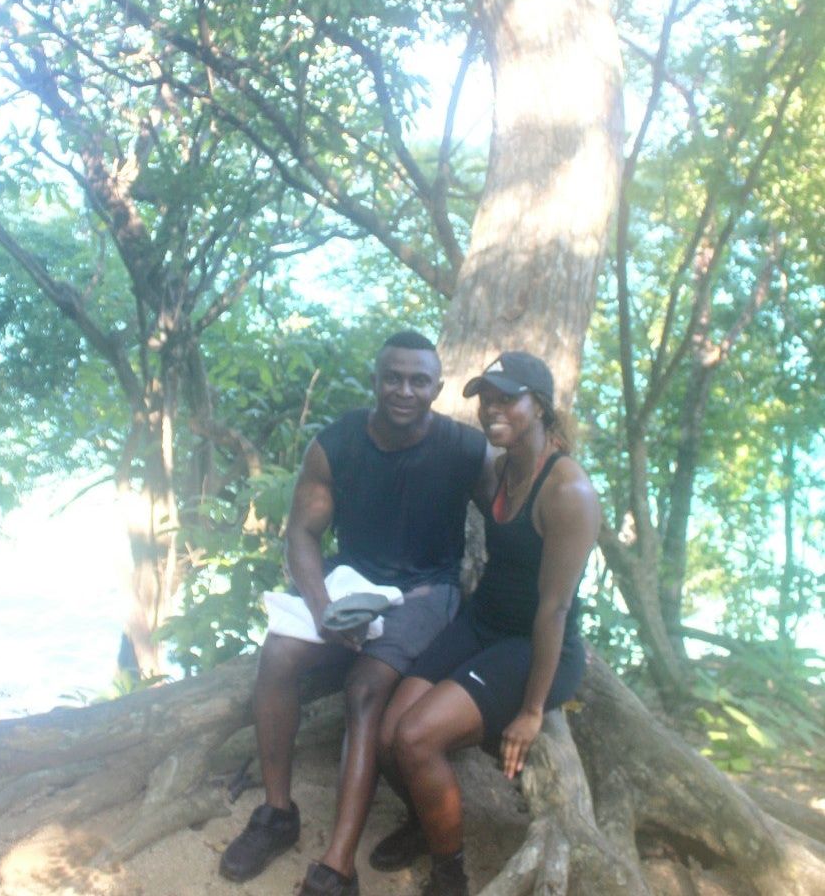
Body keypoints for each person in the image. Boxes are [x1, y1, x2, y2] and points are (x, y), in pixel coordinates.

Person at [219, 331, 494, 896]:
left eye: (419, 380)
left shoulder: (466, 450)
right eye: (392, 377)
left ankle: (338, 866)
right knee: (277, 655)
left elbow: (517, 513)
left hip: (426, 591)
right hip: (353, 583)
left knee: (366, 689)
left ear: (437, 389)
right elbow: (302, 532)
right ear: (375, 380)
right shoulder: (337, 444)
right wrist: (322, 610)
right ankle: (277, 814)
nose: (404, 390)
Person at [371, 351, 599, 896]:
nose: (492, 408)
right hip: (484, 623)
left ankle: (450, 876)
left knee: (416, 738)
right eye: (486, 398)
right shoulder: (500, 468)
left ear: (539, 406)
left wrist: (530, 710)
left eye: (507, 398)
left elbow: (555, 610)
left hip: (535, 647)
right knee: (386, 737)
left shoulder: (568, 491)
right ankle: (428, 822)